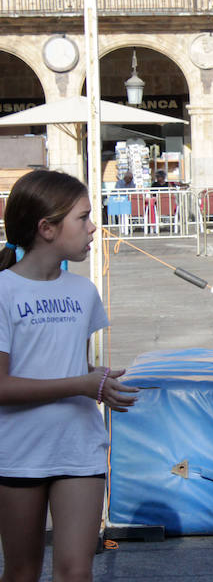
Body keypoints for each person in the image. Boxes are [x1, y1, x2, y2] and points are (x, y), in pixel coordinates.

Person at [0, 170, 139, 582]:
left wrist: (97, 379)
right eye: (83, 217)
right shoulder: (4, 291)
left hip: (79, 447)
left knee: (76, 572)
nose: (93, 226)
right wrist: (81, 384)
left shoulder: (83, 291)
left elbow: (66, 365)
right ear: (46, 228)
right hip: (18, 453)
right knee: (22, 571)